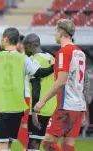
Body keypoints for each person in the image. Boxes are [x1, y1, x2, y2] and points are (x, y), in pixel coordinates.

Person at [0, 27, 54, 151]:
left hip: (0, 107)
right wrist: (54, 66)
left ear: (6, 39)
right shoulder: (24, 59)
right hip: (17, 109)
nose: (1, 40)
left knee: (2, 146)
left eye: (2, 38)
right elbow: (39, 72)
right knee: (8, 144)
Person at [34, 19, 90, 151]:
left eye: (55, 30)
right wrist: (84, 108)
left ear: (60, 32)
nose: (54, 34)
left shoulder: (64, 52)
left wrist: (42, 101)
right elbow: (85, 82)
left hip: (66, 106)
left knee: (47, 143)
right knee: (67, 146)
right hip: (78, 107)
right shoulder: (80, 53)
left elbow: (61, 81)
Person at [23, 33, 57, 151]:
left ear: (32, 45)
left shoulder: (34, 60)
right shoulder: (51, 57)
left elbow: (36, 86)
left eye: (25, 46)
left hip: (39, 106)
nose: (24, 49)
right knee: (43, 141)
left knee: (33, 142)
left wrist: (34, 111)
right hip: (52, 105)